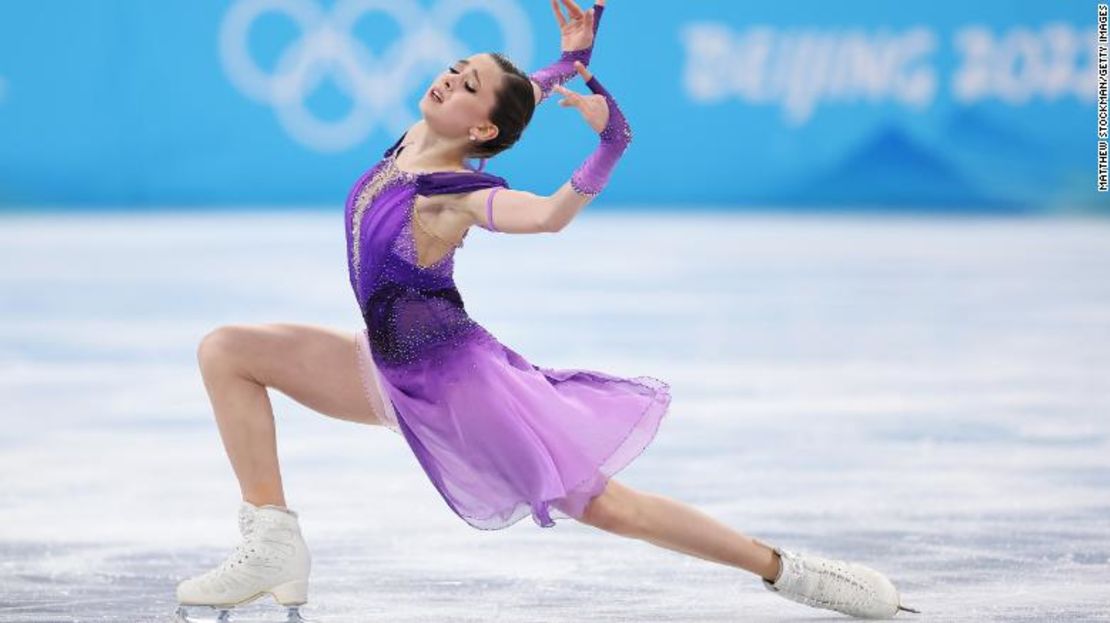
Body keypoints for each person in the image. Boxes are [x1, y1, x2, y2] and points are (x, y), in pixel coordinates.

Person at [174, 1, 916, 620]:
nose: (450, 81)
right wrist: (565, 61)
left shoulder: (454, 196)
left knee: (609, 506)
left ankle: (791, 569)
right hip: (384, 364)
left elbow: (547, 215)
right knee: (228, 350)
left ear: (482, 132)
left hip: (459, 386)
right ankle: (273, 539)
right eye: (456, 70)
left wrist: (611, 144)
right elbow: (516, 92)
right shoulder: (416, 142)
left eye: (467, 87)